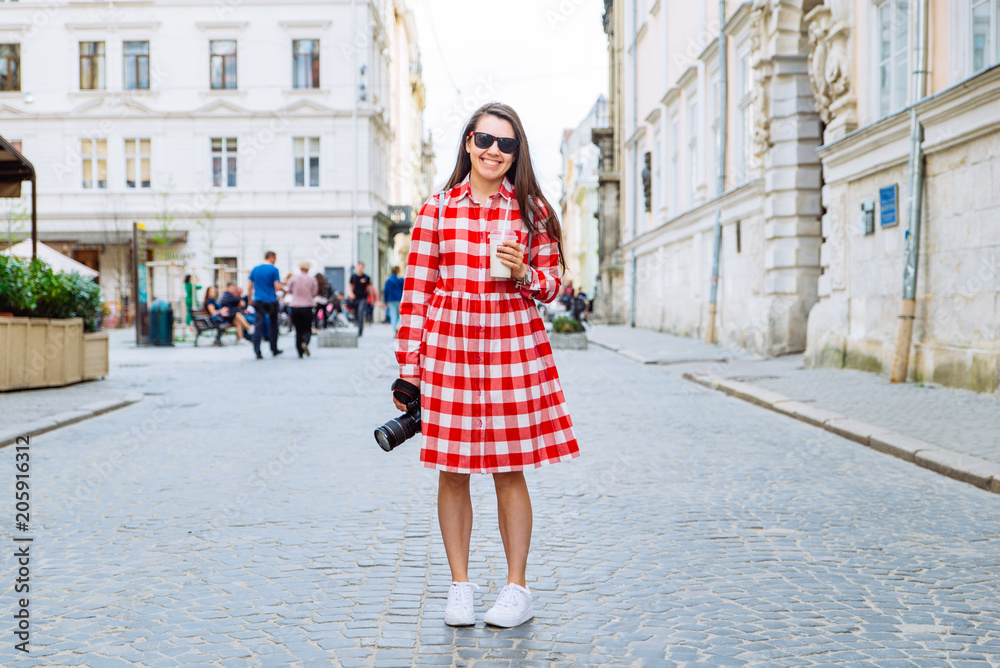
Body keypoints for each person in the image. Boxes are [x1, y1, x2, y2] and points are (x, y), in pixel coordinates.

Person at [394, 102, 580, 629]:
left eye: (507, 144)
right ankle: (460, 587)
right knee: (451, 471)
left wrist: (524, 272)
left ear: (517, 152)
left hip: (512, 348)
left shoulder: (533, 211)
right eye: (485, 140)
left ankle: (516, 589)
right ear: (468, 144)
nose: (495, 151)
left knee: (507, 468)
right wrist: (410, 370)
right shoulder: (436, 210)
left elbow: (550, 285)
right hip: (449, 349)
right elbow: (416, 295)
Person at [247, 251, 284, 359]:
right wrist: (284, 290)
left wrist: (250, 299)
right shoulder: (274, 269)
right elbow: (277, 285)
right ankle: (274, 348)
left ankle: (257, 351)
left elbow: (249, 286)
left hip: (258, 300)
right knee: (273, 324)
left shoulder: (255, 269)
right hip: (271, 300)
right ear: (272, 257)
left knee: (258, 324)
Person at [285, 261, 318, 358]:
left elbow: (289, 290)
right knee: (307, 328)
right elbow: (314, 292)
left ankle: (299, 352)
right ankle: (305, 341)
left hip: (295, 306)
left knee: (298, 330)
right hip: (307, 306)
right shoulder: (312, 279)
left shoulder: (293, 278)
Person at [347, 261, 372, 337]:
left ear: (363, 268)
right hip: (355, 298)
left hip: (363, 298)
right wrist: (351, 293)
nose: (360, 268)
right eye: (359, 266)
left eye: (361, 267)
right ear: (357, 267)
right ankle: (357, 325)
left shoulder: (366, 277)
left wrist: (372, 299)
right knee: (356, 313)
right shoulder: (353, 276)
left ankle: (360, 331)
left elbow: (369, 288)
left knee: (361, 312)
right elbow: (350, 285)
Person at [383, 266, 404, 334]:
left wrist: (385, 300)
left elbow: (386, 291)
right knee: (400, 315)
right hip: (400, 299)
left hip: (391, 300)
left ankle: (395, 329)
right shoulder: (401, 280)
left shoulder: (388, 280)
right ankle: (398, 325)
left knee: (393, 315)